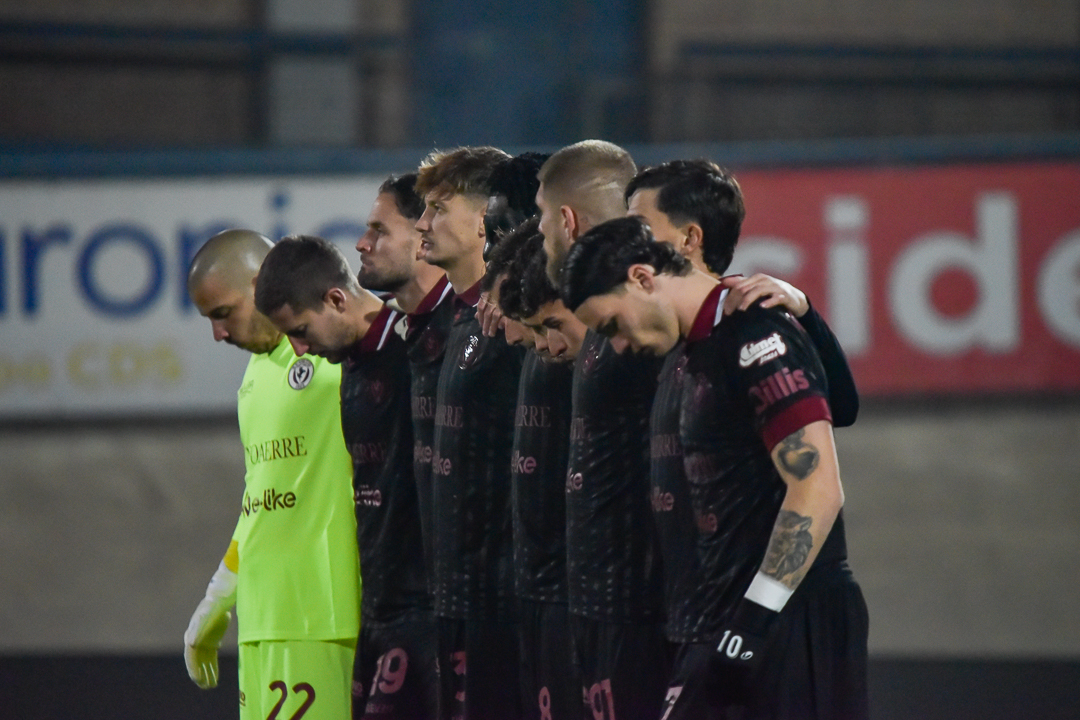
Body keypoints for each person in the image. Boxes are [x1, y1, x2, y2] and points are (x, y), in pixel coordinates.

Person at [561, 216, 870, 720]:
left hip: (784, 624)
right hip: (724, 625)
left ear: (642, 277)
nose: (617, 345)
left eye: (613, 325)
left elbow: (817, 488)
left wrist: (752, 622)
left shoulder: (754, 334)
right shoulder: (694, 348)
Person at [622, 160, 860, 690]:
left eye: (638, 227)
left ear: (689, 239)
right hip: (708, 618)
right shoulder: (684, 336)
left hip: (777, 624)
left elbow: (831, 443)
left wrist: (752, 621)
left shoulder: (749, 323)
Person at [253, 234, 438, 720]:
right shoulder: (350, 363)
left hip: (427, 612)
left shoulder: (412, 349)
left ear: (336, 299)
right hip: (375, 609)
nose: (298, 349)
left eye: (300, 330)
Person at [184, 229, 361, 720]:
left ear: (262, 283)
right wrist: (220, 594)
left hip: (324, 615)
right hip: (262, 619)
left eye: (223, 313)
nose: (219, 334)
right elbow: (261, 500)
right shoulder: (254, 378)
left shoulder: (338, 356)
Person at [535, 140, 671, 720]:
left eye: (542, 220)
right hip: (595, 605)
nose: (541, 233)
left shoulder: (649, 315)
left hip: (639, 613)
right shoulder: (603, 315)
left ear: (567, 221)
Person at [414, 146, 527, 720]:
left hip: (505, 606)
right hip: (454, 599)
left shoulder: (519, 323)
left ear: (484, 219)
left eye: (437, 208)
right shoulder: (455, 318)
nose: (422, 223)